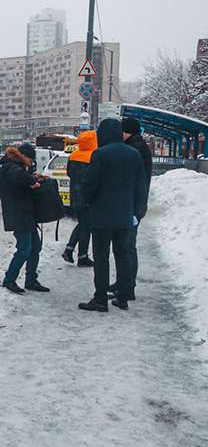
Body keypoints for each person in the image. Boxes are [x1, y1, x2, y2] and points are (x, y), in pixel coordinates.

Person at [78, 118, 148, 312]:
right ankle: (123, 297)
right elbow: (140, 186)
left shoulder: (100, 154)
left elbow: (90, 184)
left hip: (102, 216)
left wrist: (87, 202)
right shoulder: (134, 154)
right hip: (125, 216)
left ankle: (100, 299)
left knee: (101, 258)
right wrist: (137, 211)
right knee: (123, 255)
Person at [108, 117, 153, 301]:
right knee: (125, 246)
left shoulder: (135, 149)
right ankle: (123, 283)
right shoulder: (138, 146)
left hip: (131, 206)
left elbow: (134, 181)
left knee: (126, 247)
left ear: (128, 132)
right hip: (134, 205)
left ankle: (127, 287)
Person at [0, 144, 49, 294]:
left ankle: (31, 280)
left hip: (25, 214)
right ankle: (9, 280)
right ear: (24, 156)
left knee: (35, 247)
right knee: (24, 249)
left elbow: (21, 178)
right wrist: (32, 180)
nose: (31, 163)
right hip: (18, 214)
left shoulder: (15, 166)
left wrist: (34, 177)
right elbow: (19, 176)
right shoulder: (10, 166)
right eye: (30, 160)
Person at [62, 130, 97, 267]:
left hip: (75, 195)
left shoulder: (73, 155)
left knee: (84, 224)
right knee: (86, 225)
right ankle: (78, 255)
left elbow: (69, 173)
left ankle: (74, 252)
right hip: (87, 196)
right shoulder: (93, 156)